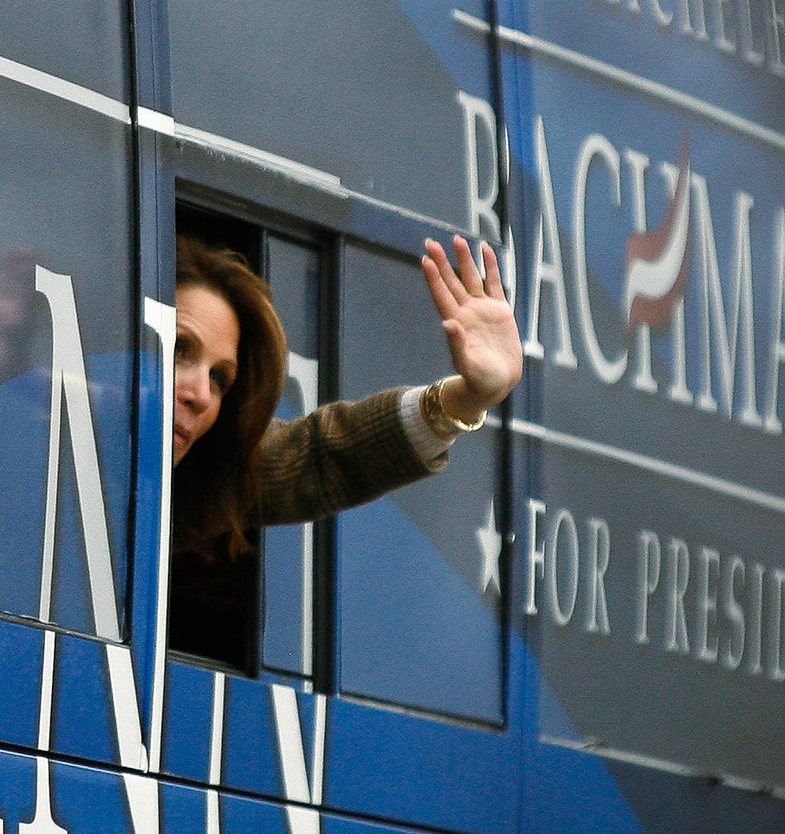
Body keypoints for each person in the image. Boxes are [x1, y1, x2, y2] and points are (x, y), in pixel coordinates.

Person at [169, 233, 522, 656]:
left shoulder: (206, 471)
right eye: (179, 349)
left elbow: (317, 456)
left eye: (219, 379)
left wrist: (469, 398)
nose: (201, 395)